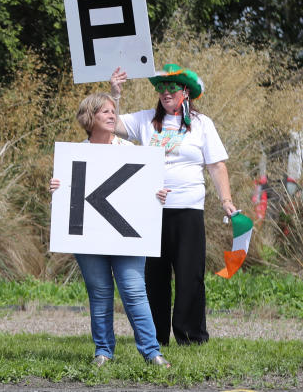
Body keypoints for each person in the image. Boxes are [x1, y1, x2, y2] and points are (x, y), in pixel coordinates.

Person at [110, 64, 236, 346]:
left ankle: (190, 336)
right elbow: (111, 125)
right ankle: (155, 337)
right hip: (151, 210)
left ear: (185, 92)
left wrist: (226, 200)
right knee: (154, 277)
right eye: (161, 89)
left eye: (172, 88)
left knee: (190, 274)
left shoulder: (203, 125)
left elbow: (216, 165)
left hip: (188, 209)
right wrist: (115, 93)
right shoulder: (145, 120)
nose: (165, 93)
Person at [49, 92, 171, 368]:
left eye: (113, 111)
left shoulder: (131, 151)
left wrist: (158, 195)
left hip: (125, 236)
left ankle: (152, 352)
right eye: (105, 111)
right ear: (89, 117)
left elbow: (145, 190)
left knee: (134, 290)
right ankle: (103, 351)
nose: (112, 115)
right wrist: (58, 188)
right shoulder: (75, 154)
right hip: (90, 236)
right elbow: (69, 194)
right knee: (100, 292)